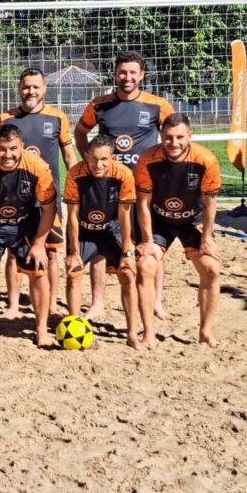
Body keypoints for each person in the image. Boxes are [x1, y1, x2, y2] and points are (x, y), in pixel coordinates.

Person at [75, 51, 175, 319]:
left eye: (132, 72)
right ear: (115, 74)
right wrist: (89, 160)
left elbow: (175, 134)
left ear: (141, 75)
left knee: (150, 243)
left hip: (145, 188)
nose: (127, 77)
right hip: (108, 187)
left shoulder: (157, 105)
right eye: (122, 72)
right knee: (99, 242)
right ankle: (97, 302)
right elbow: (80, 132)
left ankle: (156, 302)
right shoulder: (99, 105)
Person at [0, 124, 57, 347]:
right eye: (2, 149)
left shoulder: (37, 167)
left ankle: (41, 330)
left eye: (13, 148)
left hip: (25, 223)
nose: (7, 154)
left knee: (38, 271)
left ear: (22, 146)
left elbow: (49, 208)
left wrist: (39, 244)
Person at [134, 113, 222, 347]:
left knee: (211, 269)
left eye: (180, 137)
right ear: (161, 136)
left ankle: (205, 332)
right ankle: (149, 334)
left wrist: (207, 237)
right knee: (145, 266)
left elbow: (209, 202)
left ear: (190, 136)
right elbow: (142, 203)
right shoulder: (147, 159)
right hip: (159, 220)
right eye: (168, 137)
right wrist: (147, 240)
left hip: (192, 220)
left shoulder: (206, 159)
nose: (174, 143)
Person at [0, 68, 78, 319]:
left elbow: (69, 156)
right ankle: (12, 305)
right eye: (26, 86)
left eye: (35, 87)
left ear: (44, 89)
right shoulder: (6, 118)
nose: (30, 91)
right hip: (14, 198)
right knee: (13, 251)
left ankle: (50, 304)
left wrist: (77, 186)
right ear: (19, 89)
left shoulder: (57, 117)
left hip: (47, 198)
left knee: (50, 251)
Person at [63, 135, 149, 349]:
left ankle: (131, 334)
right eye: (93, 159)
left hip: (112, 230)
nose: (98, 164)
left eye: (103, 159)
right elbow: (72, 216)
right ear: (86, 156)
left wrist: (127, 250)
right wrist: (73, 251)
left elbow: (125, 215)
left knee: (128, 274)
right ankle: (74, 328)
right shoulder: (75, 174)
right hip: (85, 231)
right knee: (73, 272)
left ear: (113, 158)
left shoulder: (124, 174)